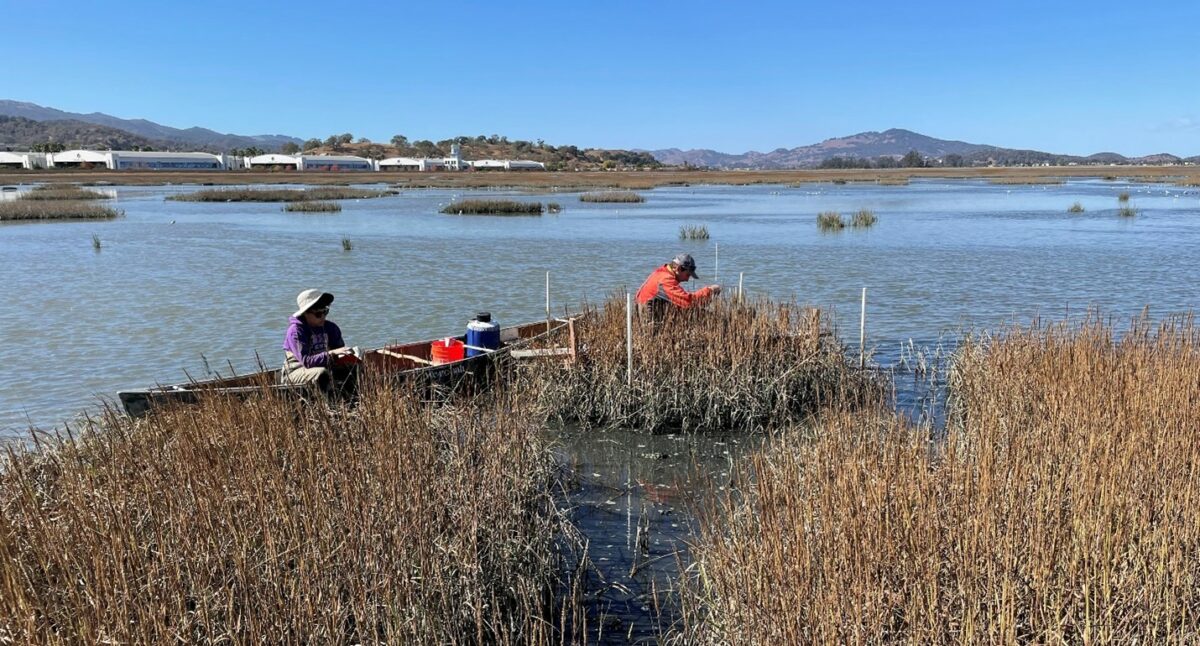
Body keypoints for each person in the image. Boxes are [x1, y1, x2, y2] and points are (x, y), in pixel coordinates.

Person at [281, 289, 358, 395]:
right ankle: (328, 406)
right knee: (321, 373)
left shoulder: (331, 328)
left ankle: (352, 400)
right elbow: (307, 362)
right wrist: (332, 353)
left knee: (353, 368)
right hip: (296, 372)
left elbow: (340, 353)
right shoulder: (296, 331)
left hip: (327, 368)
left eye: (325, 312)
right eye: (318, 314)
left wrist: (351, 357)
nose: (323, 317)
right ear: (305, 313)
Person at [635, 253, 721, 320]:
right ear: (679, 269)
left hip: (651, 314)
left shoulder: (660, 272)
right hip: (650, 321)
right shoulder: (665, 279)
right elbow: (689, 302)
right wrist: (710, 290)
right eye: (687, 275)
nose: (687, 279)